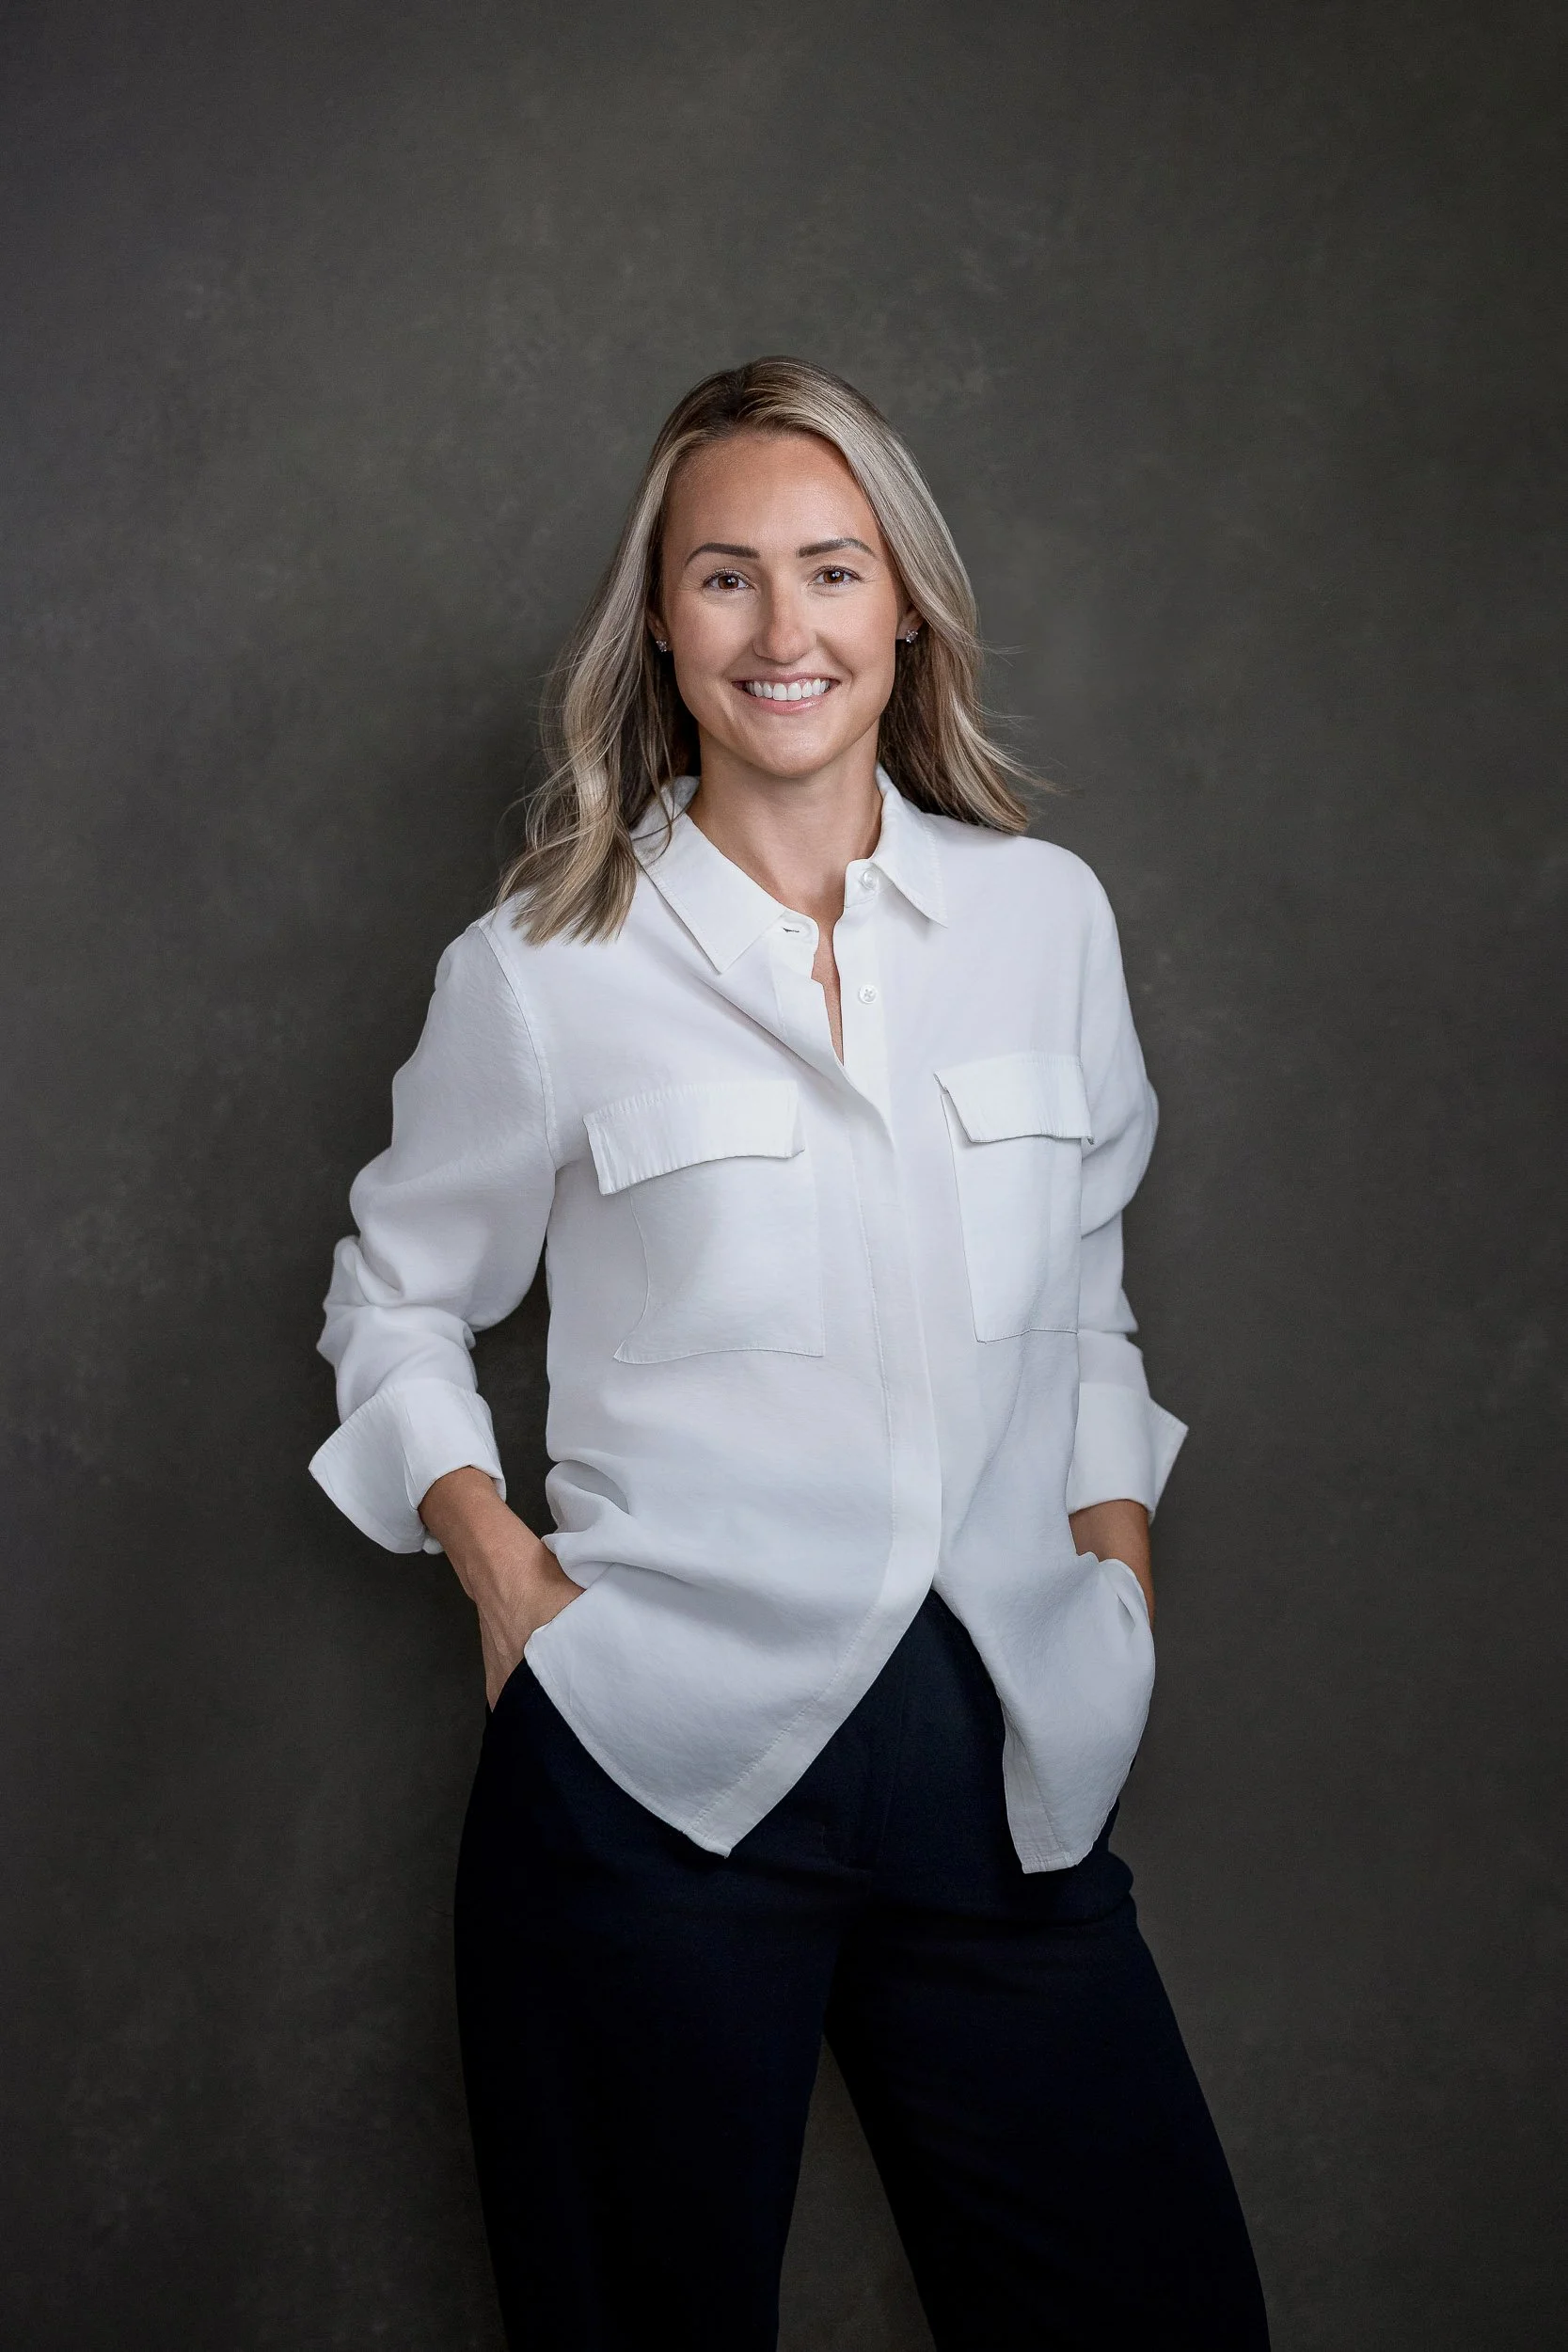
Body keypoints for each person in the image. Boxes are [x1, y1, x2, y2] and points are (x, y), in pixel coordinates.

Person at [309, 358, 1269, 2351]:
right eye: (725, 576)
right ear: (660, 621)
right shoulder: (542, 970)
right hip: (651, 1766)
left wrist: (1113, 1561)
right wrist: (502, 1569)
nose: (783, 627)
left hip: (1002, 1753)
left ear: (902, 606)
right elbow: (393, 1290)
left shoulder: (1039, 922)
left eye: (829, 571)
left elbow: (1085, 1276)